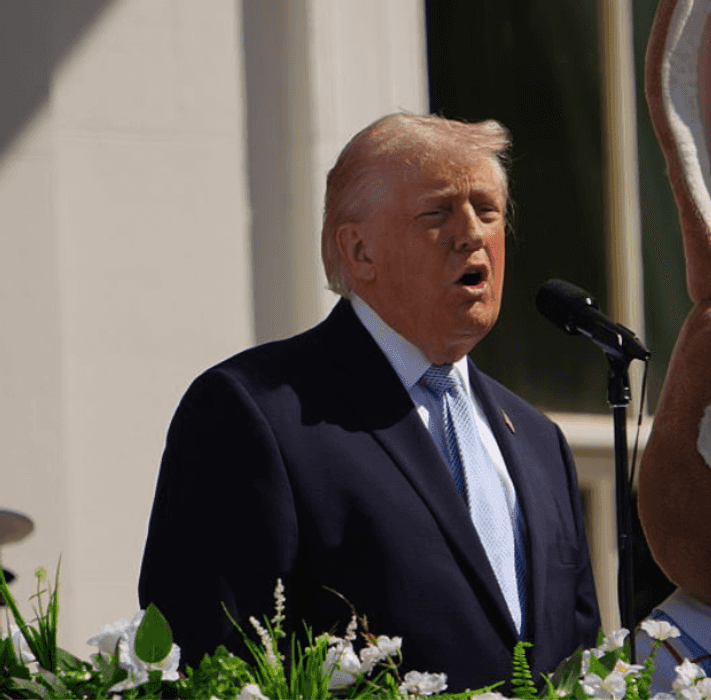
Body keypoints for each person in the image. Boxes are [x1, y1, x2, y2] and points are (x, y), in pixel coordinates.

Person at [138, 113, 600, 691]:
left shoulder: (538, 442)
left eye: (487, 211)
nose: (471, 234)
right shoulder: (256, 413)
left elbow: (579, 663)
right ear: (358, 251)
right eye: (437, 213)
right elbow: (212, 666)